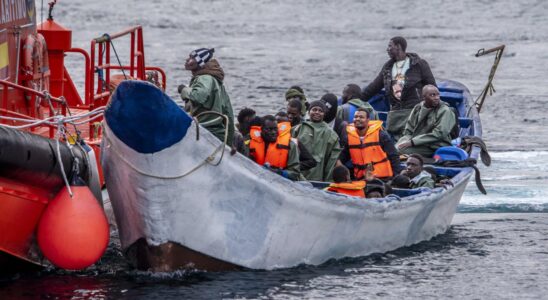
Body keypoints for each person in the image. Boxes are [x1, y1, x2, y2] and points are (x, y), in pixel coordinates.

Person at [361, 36, 436, 140]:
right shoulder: (388, 67)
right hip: (395, 114)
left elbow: (432, 87)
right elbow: (373, 88)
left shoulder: (419, 64)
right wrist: (356, 98)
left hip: (415, 111)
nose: (387, 49)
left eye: (390, 46)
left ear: (398, 47)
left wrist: (434, 109)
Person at [179, 48, 235, 146]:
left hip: (207, 132)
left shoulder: (205, 78)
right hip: (217, 134)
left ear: (200, 62)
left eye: (192, 58)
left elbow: (198, 96)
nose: (187, 60)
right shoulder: (214, 80)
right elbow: (228, 112)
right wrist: (229, 144)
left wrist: (183, 89)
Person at [338, 108, 402, 181]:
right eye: (355, 117)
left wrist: (395, 177)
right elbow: (342, 158)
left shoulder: (381, 135)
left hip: (383, 179)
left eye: (361, 117)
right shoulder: (349, 138)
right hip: (361, 179)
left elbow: (394, 156)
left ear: (368, 120)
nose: (358, 119)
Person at [396, 85, 456, 157]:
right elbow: (409, 128)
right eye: (432, 95)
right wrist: (406, 140)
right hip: (418, 142)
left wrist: (413, 142)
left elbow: (439, 134)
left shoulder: (445, 111)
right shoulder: (418, 107)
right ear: (423, 97)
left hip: (436, 145)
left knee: (400, 150)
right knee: (396, 147)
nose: (436, 98)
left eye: (438, 95)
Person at [292, 101, 341, 181]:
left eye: (320, 111)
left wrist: (328, 181)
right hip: (298, 174)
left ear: (324, 114)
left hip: (317, 177)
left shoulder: (331, 134)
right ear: (309, 112)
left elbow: (332, 161)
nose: (317, 112)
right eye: (314, 109)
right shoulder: (297, 129)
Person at [248, 115, 301, 180]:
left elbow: (295, 173)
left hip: (280, 184)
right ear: (261, 129)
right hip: (257, 180)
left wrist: (279, 172)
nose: (273, 132)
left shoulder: (290, 145)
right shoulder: (249, 144)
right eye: (269, 129)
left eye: (275, 129)